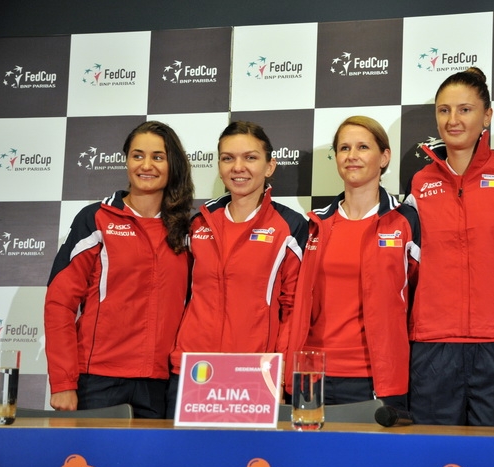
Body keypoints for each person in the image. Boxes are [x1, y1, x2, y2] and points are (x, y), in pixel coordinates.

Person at [403, 67, 494, 426]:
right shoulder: (419, 182)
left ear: (487, 115)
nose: (453, 120)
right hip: (433, 341)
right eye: (444, 110)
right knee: (431, 460)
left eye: (465, 109)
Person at [44, 121, 195, 418]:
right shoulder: (96, 219)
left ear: (173, 164)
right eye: (137, 156)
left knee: (152, 465)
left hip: (161, 385)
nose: (146, 165)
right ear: (126, 161)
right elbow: (59, 303)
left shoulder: (187, 230)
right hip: (99, 381)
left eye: (158, 157)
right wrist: (63, 381)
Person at [166, 120, 307, 417]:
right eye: (228, 158)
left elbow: (293, 310)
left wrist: (279, 374)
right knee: (185, 462)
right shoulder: (199, 223)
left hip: (252, 373)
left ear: (270, 166)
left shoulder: (290, 227)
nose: (238, 167)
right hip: (193, 370)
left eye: (250, 157)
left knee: (243, 461)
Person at [286, 116, 420, 410]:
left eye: (363, 147)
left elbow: (422, 299)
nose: (352, 156)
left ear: (384, 157)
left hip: (374, 375)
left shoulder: (406, 221)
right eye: (344, 148)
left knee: (372, 457)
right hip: (311, 371)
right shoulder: (314, 224)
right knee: (307, 457)